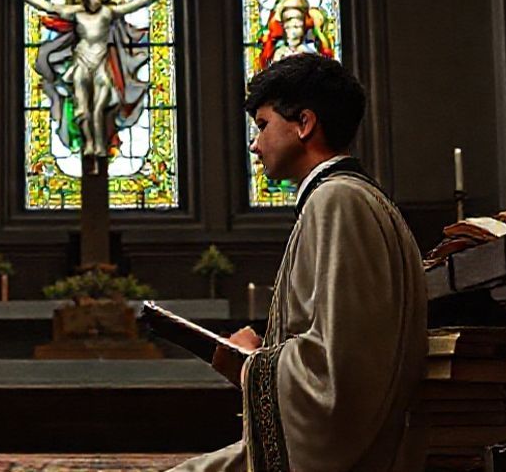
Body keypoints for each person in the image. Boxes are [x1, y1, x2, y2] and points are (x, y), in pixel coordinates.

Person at [170, 54, 427, 471]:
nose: (254, 144)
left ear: (304, 124)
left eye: (263, 126)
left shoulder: (338, 201)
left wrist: (251, 363)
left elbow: (341, 375)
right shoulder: (345, 198)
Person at [0, 0, 184, 158]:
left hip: (101, 66)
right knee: (82, 110)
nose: (96, 1)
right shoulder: (75, 14)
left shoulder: (108, 13)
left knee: (99, 109)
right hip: (81, 64)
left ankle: (100, 146)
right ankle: (88, 144)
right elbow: (46, 6)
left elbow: (142, 2)